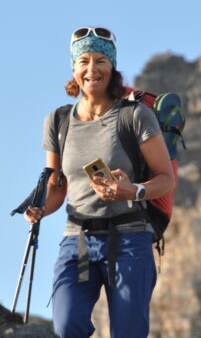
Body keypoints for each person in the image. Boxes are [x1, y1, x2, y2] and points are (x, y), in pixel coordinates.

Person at [24, 27, 175, 338]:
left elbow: (165, 179)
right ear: (74, 68)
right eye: (83, 61)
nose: (91, 69)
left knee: (128, 333)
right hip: (77, 239)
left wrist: (134, 190)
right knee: (68, 326)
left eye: (100, 61)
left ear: (112, 66)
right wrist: (39, 208)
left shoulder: (135, 116)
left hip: (130, 238)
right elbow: (57, 186)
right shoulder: (58, 121)